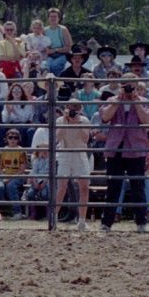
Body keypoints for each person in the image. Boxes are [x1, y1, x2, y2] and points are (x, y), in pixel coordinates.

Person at [99, 73, 149, 232]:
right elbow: (105, 117)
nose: (129, 88)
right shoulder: (112, 101)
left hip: (136, 149)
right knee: (113, 186)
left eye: (131, 85)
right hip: (116, 148)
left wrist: (135, 101)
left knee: (138, 186)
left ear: (137, 86)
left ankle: (141, 222)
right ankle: (106, 223)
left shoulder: (144, 102)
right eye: (126, 85)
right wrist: (118, 101)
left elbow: (146, 121)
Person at [50, 97, 95, 228]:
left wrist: (77, 122)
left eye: (76, 108)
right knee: (62, 187)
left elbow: (85, 139)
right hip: (65, 153)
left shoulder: (84, 121)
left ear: (80, 109)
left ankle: (81, 220)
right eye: (71, 108)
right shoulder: (60, 120)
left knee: (84, 187)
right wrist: (66, 121)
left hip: (80, 154)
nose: (73, 110)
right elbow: (57, 138)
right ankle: (54, 219)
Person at [0, 127, 29, 220]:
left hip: (18, 176)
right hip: (5, 175)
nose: (12, 140)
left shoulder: (21, 151)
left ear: (18, 139)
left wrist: (10, 178)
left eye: (15, 138)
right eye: (10, 137)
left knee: (11, 186)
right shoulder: (3, 151)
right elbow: (0, 167)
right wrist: (3, 177)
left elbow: (22, 169)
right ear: (6, 139)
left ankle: (17, 212)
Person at [42, 8, 74, 74]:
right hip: (50, 55)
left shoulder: (63, 29)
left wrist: (56, 50)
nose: (53, 18)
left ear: (58, 18)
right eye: (51, 16)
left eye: (55, 16)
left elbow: (69, 47)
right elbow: (45, 47)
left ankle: (58, 82)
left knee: (54, 66)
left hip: (62, 54)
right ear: (48, 18)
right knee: (45, 66)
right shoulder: (45, 30)